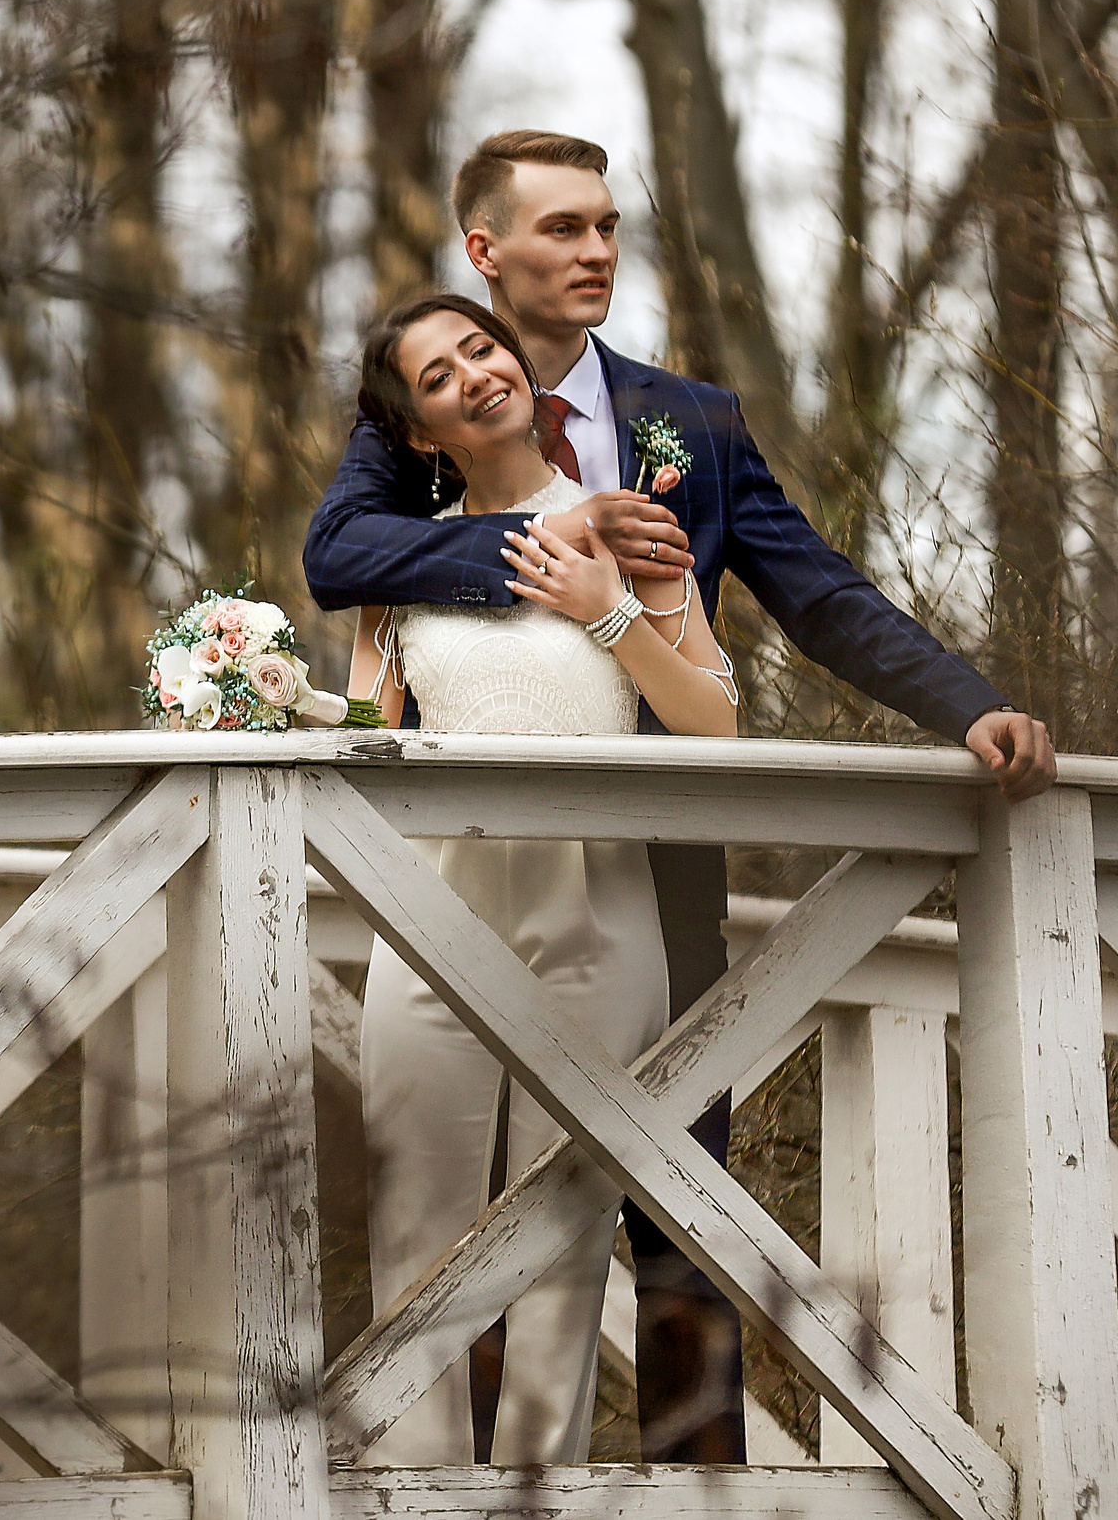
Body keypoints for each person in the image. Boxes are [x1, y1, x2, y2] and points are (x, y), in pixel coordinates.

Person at [304, 129, 1057, 1462]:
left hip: (651, 882)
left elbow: (816, 591)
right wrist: (555, 536)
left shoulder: (687, 423)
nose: (597, 250)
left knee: (673, 1212)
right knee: (435, 1205)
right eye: (562, 229)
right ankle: (433, 1485)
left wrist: (969, 702)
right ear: (486, 253)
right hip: (448, 893)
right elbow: (344, 561)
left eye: (607, 224)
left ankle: (679, 1491)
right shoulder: (413, 435)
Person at [343, 290, 738, 1467]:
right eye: (436, 376)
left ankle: (536, 1491)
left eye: (480, 348)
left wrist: (609, 612)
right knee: (414, 1234)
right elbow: (370, 734)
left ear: (515, 365)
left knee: (561, 1241)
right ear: (420, 432)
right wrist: (249, 698)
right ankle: (413, 1495)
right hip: (427, 924)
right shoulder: (398, 566)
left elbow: (715, 727)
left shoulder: (630, 528)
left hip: (600, 924)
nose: (472, 373)